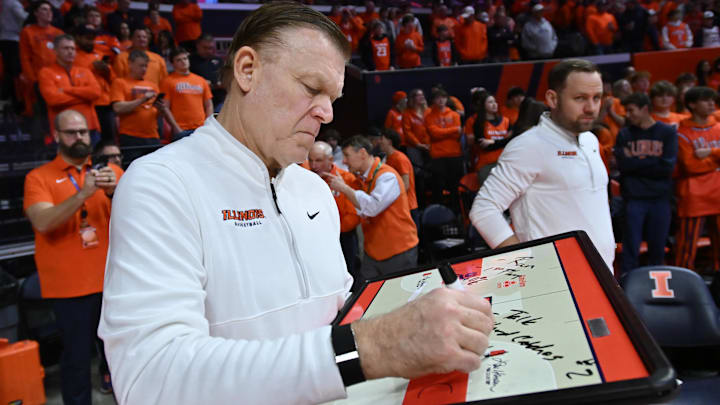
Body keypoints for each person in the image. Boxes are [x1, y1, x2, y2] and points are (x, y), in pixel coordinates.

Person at [99, 4, 493, 404]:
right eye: (311, 88)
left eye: (333, 97)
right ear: (247, 69)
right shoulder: (161, 184)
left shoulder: (314, 189)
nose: (327, 112)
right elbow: (152, 378)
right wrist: (376, 346)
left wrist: (417, 321)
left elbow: (340, 313)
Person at [470, 59, 615, 270]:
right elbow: (483, 210)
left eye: (596, 98)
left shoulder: (590, 140)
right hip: (557, 282)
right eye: (580, 98)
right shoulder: (528, 146)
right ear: (552, 98)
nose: (591, 108)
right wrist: (527, 266)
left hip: (602, 272)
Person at [24, 109, 122, 404]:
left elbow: (141, 218)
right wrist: (83, 194)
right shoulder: (38, 177)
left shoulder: (112, 173)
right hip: (71, 288)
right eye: (72, 132)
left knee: (122, 357)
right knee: (77, 360)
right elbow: (42, 221)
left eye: (83, 131)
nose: (79, 137)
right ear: (57, 136)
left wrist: (116, 192)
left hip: (113, 282)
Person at [328, 135, 419, 279]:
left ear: (362, 153)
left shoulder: (387, 176)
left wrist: (344, 189)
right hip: (373, 252)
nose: (344, 161)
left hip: (398, 250)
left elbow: (372, 207)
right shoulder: (360, 178)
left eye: (347, 155)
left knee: (400, 299)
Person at [614, 92, 677, 274]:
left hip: (660, 199)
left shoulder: (667, 132)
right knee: (630, 251)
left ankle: (656, 295)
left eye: (631, 110)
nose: (627, 115)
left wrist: (636, 162)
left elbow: (666, 168)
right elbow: (624, 166)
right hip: (633, 199)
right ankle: (627, 293)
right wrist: (651, 162)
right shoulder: (624, 133)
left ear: (645, 109)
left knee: (657, 250)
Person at [674, 86, 720, 270]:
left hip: (718, 194)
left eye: (712, 99)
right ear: (692, 104)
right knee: (686, 248)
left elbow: (699, 162)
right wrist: (717, 163)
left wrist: (711, 152)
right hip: (694, 197)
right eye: (705, 100)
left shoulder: (718, 126)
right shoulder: (682, 132)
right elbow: (690, 166)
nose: (711, 104)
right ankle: (683, 286)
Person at [307, 141, 361, 287]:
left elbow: (354, 216)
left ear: (330, 160)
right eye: (310, 160)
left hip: (343, 236)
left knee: (349, 273)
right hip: (314, 237)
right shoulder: (305, 176)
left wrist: (331, 232)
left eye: (318, 160)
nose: (314, 165)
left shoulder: (346, 178)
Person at [111, 50, 175, 160]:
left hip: (153, 136)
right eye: (141, 66)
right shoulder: (120, 83)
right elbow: (118, 108)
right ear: (130, 64)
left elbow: (157, 114)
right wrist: (142, 99)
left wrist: (161, 109)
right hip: (130, 136)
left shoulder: (153, 85)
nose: (144, 69)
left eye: (146, 66)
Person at [38, 35, 102, 140]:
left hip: (89, 127)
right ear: (55, 51)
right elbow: (53, 99)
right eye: (66, 48)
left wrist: (66, 90)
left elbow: (95, 93)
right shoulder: (46, 73)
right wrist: (84, 98)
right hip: (64, 130)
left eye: (72, 48)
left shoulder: (85, 71)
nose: (70, 51)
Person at [73, 25, 116, 141]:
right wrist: (92, 68)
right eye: (87, 38)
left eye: (92, 38)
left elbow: (113, 79)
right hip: (87, 103)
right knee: (91, 140)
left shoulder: (100, 54)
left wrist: (106, 70)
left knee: (108, 139)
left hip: (105, 103)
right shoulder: (73, 56)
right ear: (78, 38)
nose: (90, 41)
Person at [161, 47, 213, 138]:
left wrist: (207, 125)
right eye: (178, 60)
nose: (183, 62)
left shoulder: (201, 80)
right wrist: (175, 127)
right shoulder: (167, 81)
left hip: (201, 129)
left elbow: (209, 105)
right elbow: (165, 107)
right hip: (181, 129)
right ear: (172, 64)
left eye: (185, 58)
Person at [19, 1, 64, 107]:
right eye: (44, 9)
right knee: (41, 112)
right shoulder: (28, 32)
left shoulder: (59, 33)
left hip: (58, 78)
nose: (49, 12)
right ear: (36, 13)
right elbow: (25, 57)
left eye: (50, 10)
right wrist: (32, 79)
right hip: (38, 78)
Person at [425, 88, 463, 207]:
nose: (441, 100)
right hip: (438, 156)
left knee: (454, 186)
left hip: (454, 154)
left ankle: (456, 212)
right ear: (434, 100)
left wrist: (442, 132)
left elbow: (458, 133)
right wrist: (452, 130)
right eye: (437, 98)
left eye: (443, 97)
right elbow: (434, 134)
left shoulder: (455, 115)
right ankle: (438, 214)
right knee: (438, 187)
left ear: (447, 99)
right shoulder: (429, 116)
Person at [379, 128, 419, 227]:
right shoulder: (387, 159)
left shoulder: (400, 158)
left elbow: (405, 185)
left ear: (389, 141)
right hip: (398, 205)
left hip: (408, 205)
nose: (379, 141)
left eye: (382, 138)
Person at [465, 92, 511, 171]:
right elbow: (485, 146)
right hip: (486, 163)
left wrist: (492, 141)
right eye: (490, 102)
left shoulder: (506, 121)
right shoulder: (477, 122)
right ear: (483, 105)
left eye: (495, 101)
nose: (494, 104)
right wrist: (503, 141)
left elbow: (511, 141)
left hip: (505, 161)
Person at [0, 0, 28, 109]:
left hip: (4, 38)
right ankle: (13, 98)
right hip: (13, 39)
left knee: (8, 70)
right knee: (14, 71)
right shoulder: (13, 3)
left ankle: (6, 96)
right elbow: (23, 17)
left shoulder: (5, 3)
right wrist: (31, 14)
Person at [190, 32, 225, 109]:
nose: (209, 51)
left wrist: (222, 83)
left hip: (218, 99)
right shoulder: (190, 61)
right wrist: (202, 83)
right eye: (205, 48)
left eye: (211, 48)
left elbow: (227, 79)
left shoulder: (218, 61)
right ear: (197, 46)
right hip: (198, 100)